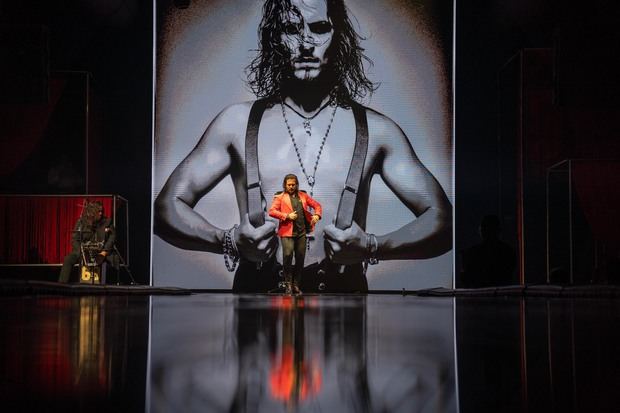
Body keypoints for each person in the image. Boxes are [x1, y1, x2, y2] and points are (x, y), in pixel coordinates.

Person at [154, 0, 452, 292]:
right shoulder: (235, 124)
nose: (306, 42)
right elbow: (166, 208)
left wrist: (372, 246)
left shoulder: (376, 130)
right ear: (275, 38)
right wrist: (228, 240)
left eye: (319, 28)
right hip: (256, 315)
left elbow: (442, 221)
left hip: (343, 317)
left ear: (339, 38)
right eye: (291, 28)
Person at [269, 174, 322, 294]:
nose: (291, 187)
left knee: (300, 258)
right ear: (285, 185)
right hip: (287, 232)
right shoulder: (280, 197)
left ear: (296, 184)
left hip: (301, 233)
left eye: (293, 184)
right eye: (289, 185)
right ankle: (288, 283)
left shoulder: (303, 196)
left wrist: (317, 215)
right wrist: (287, 216)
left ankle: (296, 284)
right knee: (287, 255)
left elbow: (317, 205)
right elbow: (272, 211)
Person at [58, 201, 116, 283]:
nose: (100, 213)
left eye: (102, 211)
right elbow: (74, 239)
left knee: (112, 259)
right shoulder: (82, 222)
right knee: (68, 259)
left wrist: (104, 252)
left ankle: (109, 286)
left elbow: (112, 237)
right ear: (93, 212)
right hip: (82, 252)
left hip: (100, 252)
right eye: (98, 211)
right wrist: (81, 252)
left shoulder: (107, 222)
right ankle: (62, 285)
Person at [460, 215, 516, 288]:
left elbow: (465, 279)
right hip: (503, 295)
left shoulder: (472, 252)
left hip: (478, 296)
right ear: (499, 230)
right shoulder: (508, 251)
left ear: (481, 231)